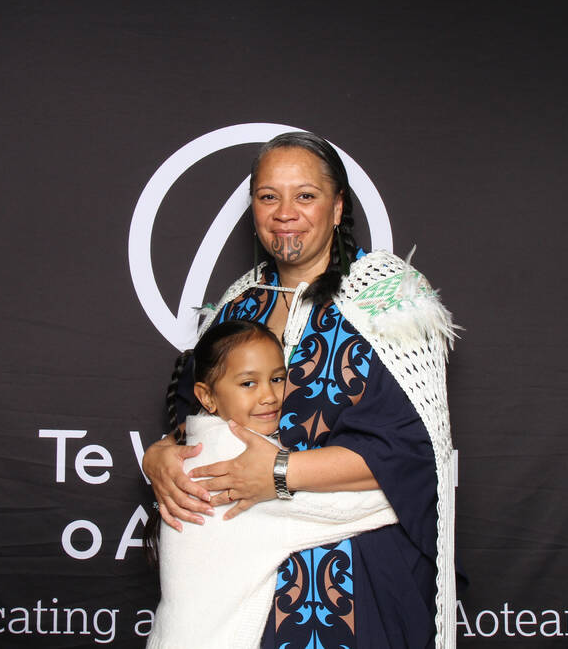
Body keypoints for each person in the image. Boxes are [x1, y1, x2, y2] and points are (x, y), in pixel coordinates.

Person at [143, 131, 459, 649]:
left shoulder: (391, 301)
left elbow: (417, 452)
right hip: (243, 596)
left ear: (337, 208)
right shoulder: (236, 307)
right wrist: (158, 457)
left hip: (359, 587)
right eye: (269, 196)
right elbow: (191, 423)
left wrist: (279, 473)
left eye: (305, 196)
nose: (285, 212)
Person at [146, 319, 399, 649]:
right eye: (248, 383)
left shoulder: (197, 449)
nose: (269, 396)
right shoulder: (231, 466)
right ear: (206, 397)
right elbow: (356, 509)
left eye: (277, 379)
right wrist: (410, 472)